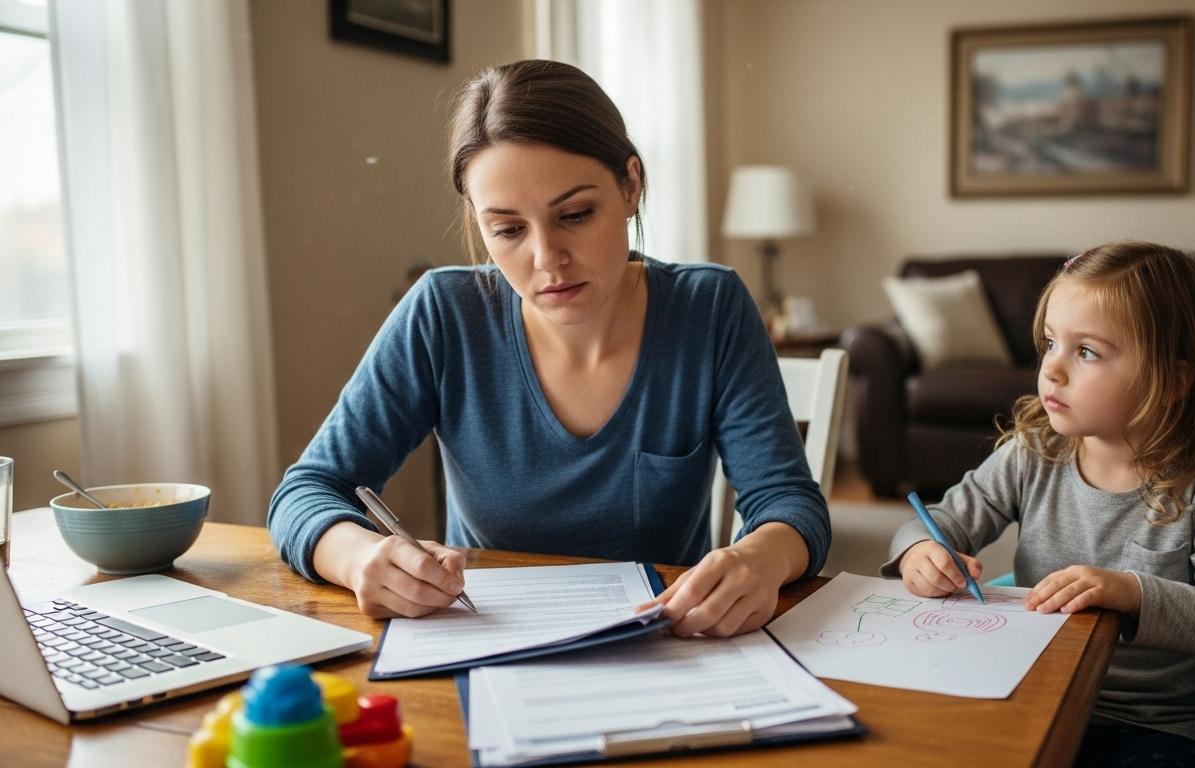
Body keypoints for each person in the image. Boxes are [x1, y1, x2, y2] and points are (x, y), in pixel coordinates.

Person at [268, 59, 829, 639]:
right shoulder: (443, 313)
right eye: (508, 230)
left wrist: (760, 557)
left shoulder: (709, 309)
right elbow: (305, 493)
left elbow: (789, 502)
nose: (547, 259)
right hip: (486, 644)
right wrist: (359, 556)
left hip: (665, 646)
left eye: (576, 215)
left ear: (630, 185)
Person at [885, 241, 1195, 766]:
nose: (1052, 370)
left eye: (1086, 351)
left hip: (1149, 726)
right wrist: (919, 553)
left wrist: (1130, 593)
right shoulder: (1033, 454)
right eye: (1050, 343)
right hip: (1032, 694)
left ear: (1173, 381)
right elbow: (938, 522)